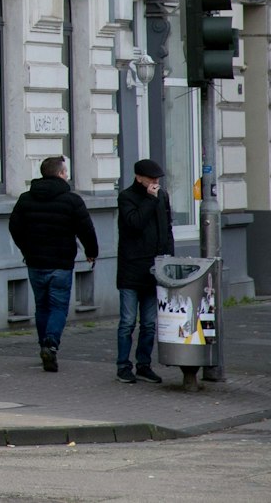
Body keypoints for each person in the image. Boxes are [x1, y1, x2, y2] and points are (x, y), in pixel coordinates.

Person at [8, 156, 99, 372]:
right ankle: (51, 344)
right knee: (58, 307)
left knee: (42, 307)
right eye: (65, 172)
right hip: (61, 263)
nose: (67, 175)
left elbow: (14, 227)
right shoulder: (72, 200)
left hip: (35, 262)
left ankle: (44, 347)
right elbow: (86, 228)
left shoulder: (26, 199)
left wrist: (26, 248)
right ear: (59, 174)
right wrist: (91, 252)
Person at [115, 158, 174, 384]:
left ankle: (144, 364)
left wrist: (169, 258)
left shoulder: (162, 197)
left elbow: (167, 229)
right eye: (151, 178)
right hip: (131, 268)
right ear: (139, 177)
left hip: (154, 268)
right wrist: (149, 200)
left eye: (157, 178)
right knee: (128, 322)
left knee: (149, 323)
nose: (155, 182)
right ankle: (123, 365)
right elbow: (134, 224)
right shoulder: (126, 197)